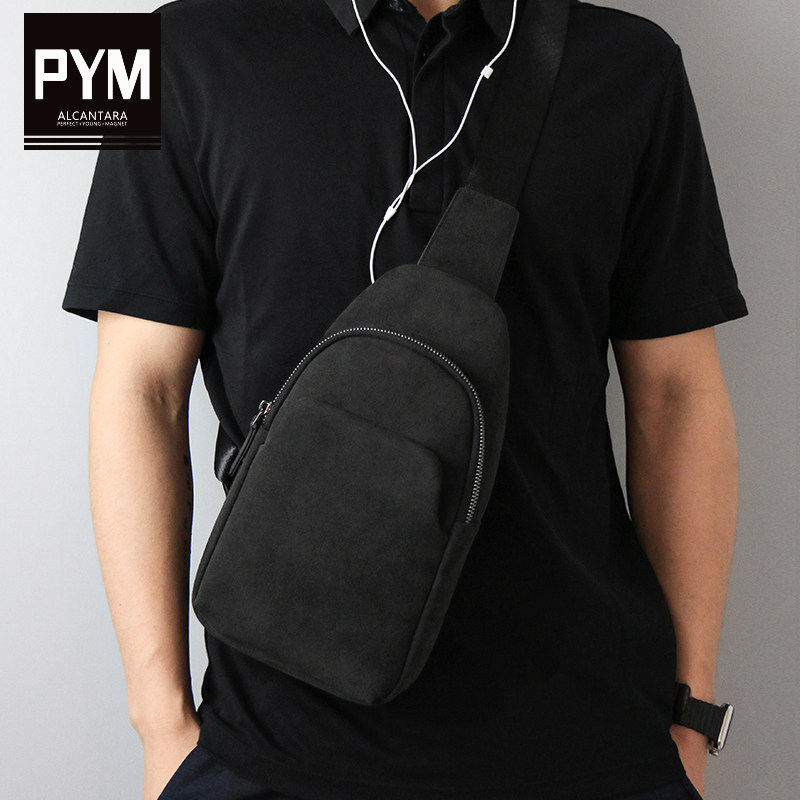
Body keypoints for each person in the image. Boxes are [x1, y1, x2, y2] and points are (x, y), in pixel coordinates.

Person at [63, 0, 748, 798]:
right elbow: (141, 390)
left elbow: (677, 397)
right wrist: (160, 726)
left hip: (591, 745)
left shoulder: (635, 65)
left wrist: (691, 718)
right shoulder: (170, 50)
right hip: (270, 750)